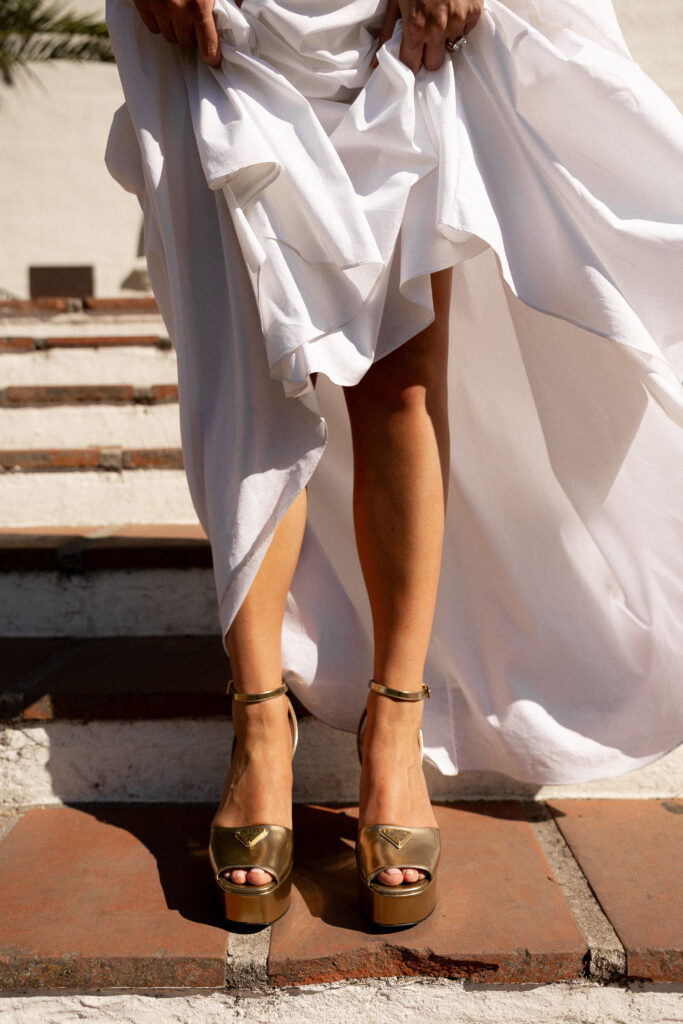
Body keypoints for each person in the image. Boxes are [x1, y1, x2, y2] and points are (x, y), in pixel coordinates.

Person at [106, 0, 683, 928]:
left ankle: (395, 728)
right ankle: (259, 726)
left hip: (386, 24)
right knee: (244, 363)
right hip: (229, 25)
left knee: (403, 370)